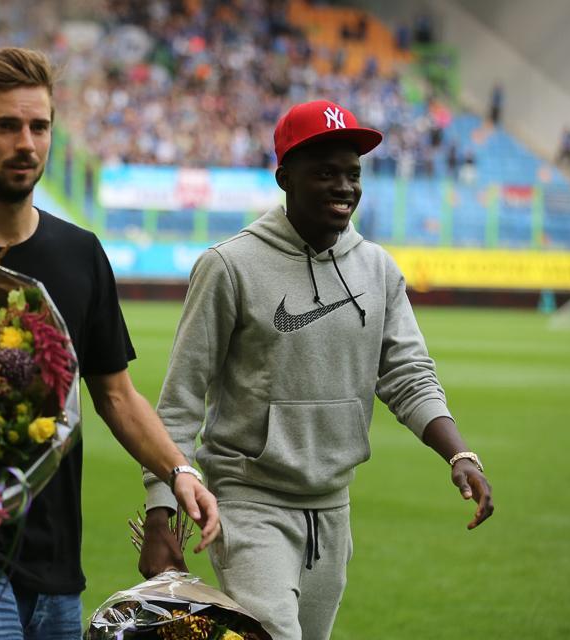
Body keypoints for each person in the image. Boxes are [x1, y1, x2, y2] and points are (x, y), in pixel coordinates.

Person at [0, 47, 219, 640]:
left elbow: (116, 395)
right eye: (6, 126)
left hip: (57, 554)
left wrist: (179, 470)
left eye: (39, 126)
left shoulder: (81, 255)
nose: (26, 143)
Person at [139, 99, 494, 640]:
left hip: (333, 507)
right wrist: (160, 513)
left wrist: (459, 454)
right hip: (248, 502)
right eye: (325, 173)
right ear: (285, 177)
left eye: (353, 174)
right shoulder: (228, 266)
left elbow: (408, 374)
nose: (344, 187)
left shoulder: (377, 268)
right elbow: (181, 400)